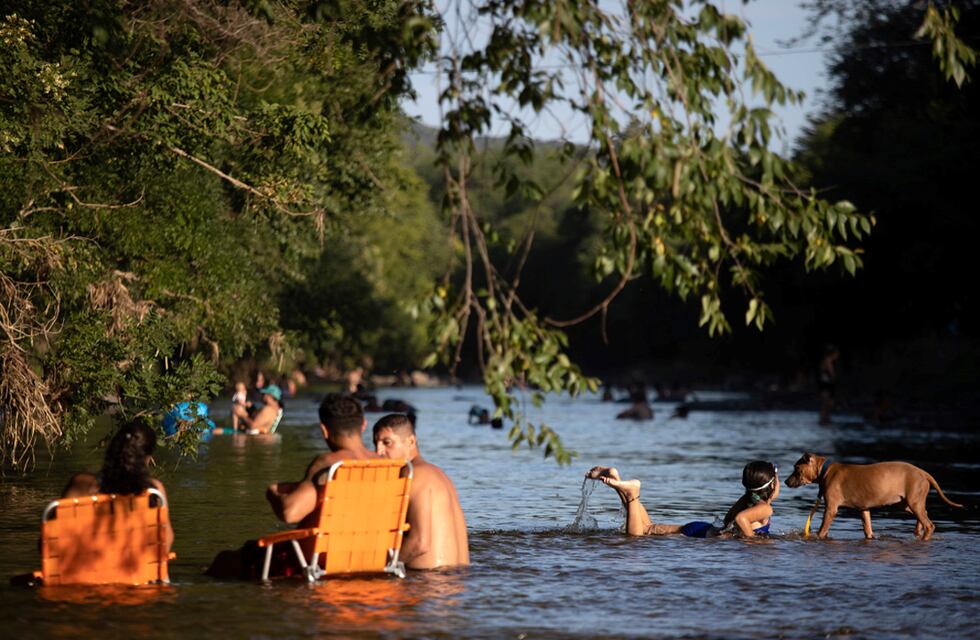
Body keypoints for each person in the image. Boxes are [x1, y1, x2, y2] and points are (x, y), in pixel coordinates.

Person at [206, 394, 378, 579]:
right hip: (370, 558)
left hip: (317, 561)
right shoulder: (387, 464)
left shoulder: (329, 463)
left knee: (224, 560)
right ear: (363, 425)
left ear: (324, 430)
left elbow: (290, 513)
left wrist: (272, 493)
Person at [585, 460, 779, 538]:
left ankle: (617, 480)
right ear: (771, 485)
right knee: (636, 537)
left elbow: (731, 518)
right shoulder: (765, 509)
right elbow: (740, 520)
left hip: (701, 528)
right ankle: (632, 492)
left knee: (648, 529)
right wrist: (752, 541)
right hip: (700, 535)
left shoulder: (748, 500)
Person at [373, 414, 469, 569]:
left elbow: (420, 543)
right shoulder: (439, 474)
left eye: (387, 442)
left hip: (427, 582)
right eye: (375, 443)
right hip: (459, 580)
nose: (378, 451)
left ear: (411, 441)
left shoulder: (413, 474)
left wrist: (379, 567)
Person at [62, 421, 173, 554]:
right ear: (148, 458)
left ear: (113, 450)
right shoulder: (154, 491)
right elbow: (166, 543)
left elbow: (48, 542)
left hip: (87, 572)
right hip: (138, 573)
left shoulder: (81, 484)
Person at [818, 344, 840, 425]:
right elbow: (831, 374)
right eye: (836, 354)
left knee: (828, 403)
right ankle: (824, 419)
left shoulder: (827, 361)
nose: (837, 355)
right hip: (826, 384)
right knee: (827, 403)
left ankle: (825, 418)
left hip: (826, 384)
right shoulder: (828, 361)